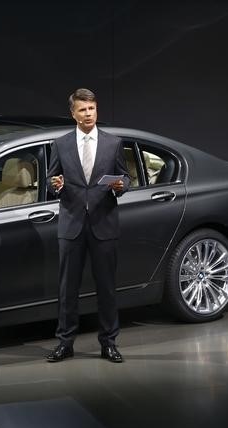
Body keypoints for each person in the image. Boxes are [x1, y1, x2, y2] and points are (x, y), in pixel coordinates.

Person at [45, 88, 130, 363]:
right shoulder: (60, 144)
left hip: (104, 225)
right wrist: (55, 185)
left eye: (91, 109)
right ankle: (65, 343)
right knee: (67, 289)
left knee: (106, 288)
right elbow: (50, 179)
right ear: (73, 113)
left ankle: (109, 343)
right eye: (82, 110)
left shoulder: (113, 143)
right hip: (71, 225)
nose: (88, 114)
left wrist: (120, 186)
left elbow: (126, 178)